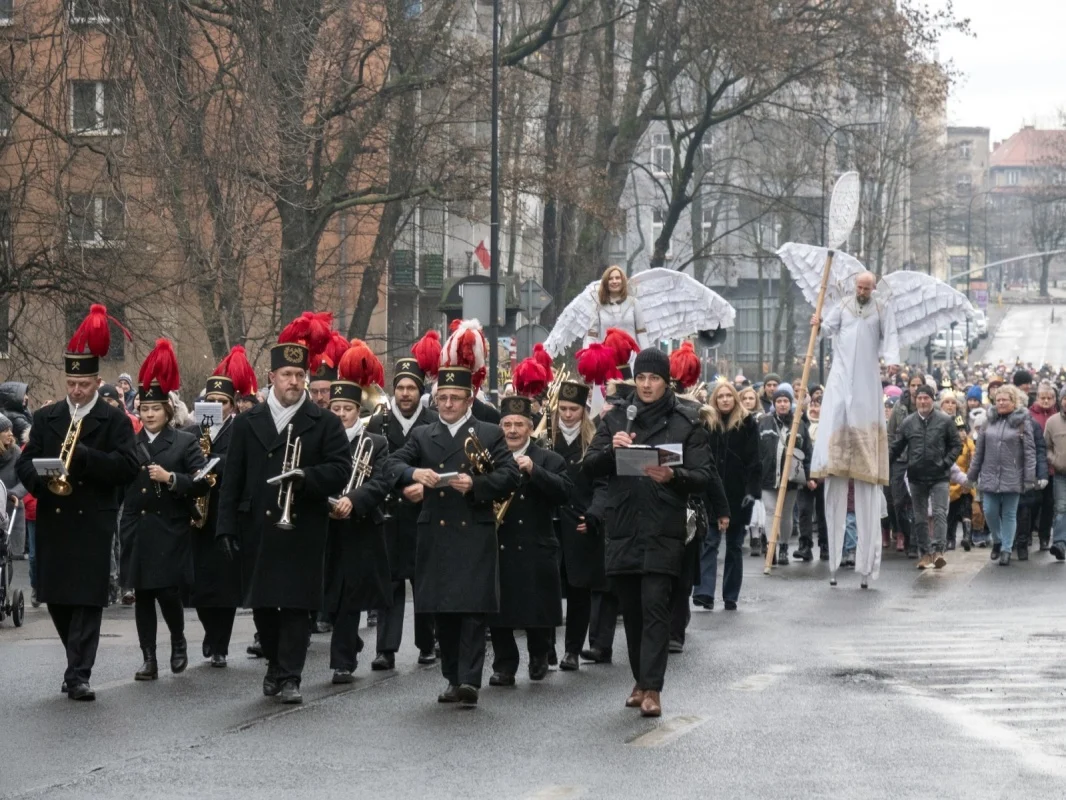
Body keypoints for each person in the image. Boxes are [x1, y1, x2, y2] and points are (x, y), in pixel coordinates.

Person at [215, 313, 352, 705]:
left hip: (302, 525)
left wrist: (306, 477)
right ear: (271, 377)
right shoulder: (247, 422)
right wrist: (224, 528)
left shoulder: (323, 422)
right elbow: (232, 480)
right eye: (287, 374)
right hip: (256, 524)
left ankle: (290, 674)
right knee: (263, 605)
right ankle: (275, 663)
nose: (294, 381)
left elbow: (341, 470)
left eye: (299, 374)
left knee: (295, 604)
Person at [387, 320, 521, 708]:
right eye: (442, 397)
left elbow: (510, 475)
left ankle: (469, 680)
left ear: (468, 399)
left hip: (474, 530)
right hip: (435, 533)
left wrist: (476, 486)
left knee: (472, 610)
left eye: (455, 398)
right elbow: (390, 465)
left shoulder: (489, 431)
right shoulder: (423, 435)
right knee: (442, 611)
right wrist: (414, 474)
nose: (447, 404)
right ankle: (450, 676)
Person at [16, 304, 139, 700]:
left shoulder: (113, 419)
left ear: (95, 381)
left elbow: (128, 466)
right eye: (71, 383)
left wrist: (87, 458)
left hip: (93, 519)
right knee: (58, 597)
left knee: (87, 597)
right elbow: (24, 461)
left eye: (83, 384)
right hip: (55, 515)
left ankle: (78, 673)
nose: (76, 390)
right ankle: (75, 662)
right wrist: (40, 482)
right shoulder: (49, 417)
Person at [583, 347, 712, 718]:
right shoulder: (616, 419)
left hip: (663, 527)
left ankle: (653, 688)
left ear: (666, 381)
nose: (646, 385)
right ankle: (640, 681)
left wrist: (675, 476)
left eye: (654, 378)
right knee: (633, 611)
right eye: (641, 378)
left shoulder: (686, 422)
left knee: (655, 607)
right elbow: (589, 466)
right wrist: (611, 450)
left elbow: (703, 476)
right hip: (623, 525)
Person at [120, 340, 209, 681]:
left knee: (167, 591)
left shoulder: (185, 441)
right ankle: (148, 659)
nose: (149, 414)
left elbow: (202, 481)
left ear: (168, 411)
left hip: (170, 527)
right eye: (144, 409)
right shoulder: (130, 442)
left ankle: (177, 639)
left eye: (155, 409)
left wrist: (172, 478)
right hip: (138, 527)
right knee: (143, 594)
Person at [811, 270, 899, 587]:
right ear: (854, 286)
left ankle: (866, 565)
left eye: (867, 287)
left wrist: (892, 359)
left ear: (873, 288)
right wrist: (817, 325)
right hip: (841, 374)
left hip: (864, 380)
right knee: (837, 406)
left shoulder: (880, 309)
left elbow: (890, 337)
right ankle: (834, 562)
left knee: (866, 491)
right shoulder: (844, 305)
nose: (862, 290)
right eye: (859, 286)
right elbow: (826, 328)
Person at [487, 387, 572, 686]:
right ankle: (504, 664)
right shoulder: (491, 455)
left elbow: (564, 492)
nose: (512, 430)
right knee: (499, 610)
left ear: (529, 428)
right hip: (500, 542)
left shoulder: (548, 458)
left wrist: (535, 471)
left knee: (536, 606)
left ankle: (539, 654)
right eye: (507, 424)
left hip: (536, 543)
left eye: (518, 424)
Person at [323, 342, 394, 684]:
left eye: (346, 409)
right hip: (327, 527)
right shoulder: (320, 443)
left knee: (350, 594)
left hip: (361, 528)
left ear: (357, 411)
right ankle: (349, 643)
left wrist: (353, 498)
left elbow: (382, 482)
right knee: (330, 597)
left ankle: (342, 662)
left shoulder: (375, 443)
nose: (339, 414)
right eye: (334, 408)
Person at [367, 352, 439, 670]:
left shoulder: (434, 422)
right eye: (401, 388)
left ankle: (427, 642)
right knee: (390, 583)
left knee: (424, 581)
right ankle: (386, 648)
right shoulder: (378, 421)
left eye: (412, 387)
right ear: (393, 390)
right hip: (389, 512)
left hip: (424, 513)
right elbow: (369, 468)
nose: (406, 394)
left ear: (421, 390)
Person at [190, 346, 255, 667]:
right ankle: (208, 631)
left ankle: (221, 644)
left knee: (225, 585)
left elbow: (246, 465)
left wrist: (214, 463)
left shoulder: (241, 429)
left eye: (222, 403)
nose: (216, 407)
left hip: (226, 512)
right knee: (200, 584)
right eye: (211, 402)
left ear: (232, 406)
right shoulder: (194, 431)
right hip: (198, 514)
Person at [549, 378, 605, 671]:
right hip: (549, 523)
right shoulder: (545, 438)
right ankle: (546, 648)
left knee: (579, 589)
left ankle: (572, 649)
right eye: (563, 408)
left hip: (580, 522)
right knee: (546, 588)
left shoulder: (594, 441)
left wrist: (594, 515)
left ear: (583, 411)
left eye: (573, 409)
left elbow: (603, 485)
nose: (568, 414)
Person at [693, 381, 760, 609]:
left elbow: (754, 460)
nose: (724, 400)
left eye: (728, 396)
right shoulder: (707, 423)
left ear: (735, 398)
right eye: (720, 396)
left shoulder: (747, 423)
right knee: (709, 541)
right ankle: (704, 592)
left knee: (734, 545)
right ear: (714, 399)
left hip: (738, 492)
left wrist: (752, 491)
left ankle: (730, 595)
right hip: (710, 493)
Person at [890, 384, 962, 570]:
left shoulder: (945, 421)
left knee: (939, 513)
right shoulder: (908, 422)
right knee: (920, 517)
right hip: (916, 476)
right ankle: (925, 553)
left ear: (932, 400)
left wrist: (945, 462)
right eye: (920, 398)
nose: (922, 401)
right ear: (916, 400)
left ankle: (939, 551)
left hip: (939, 476)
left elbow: (956, 445)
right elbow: (896, 447)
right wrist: (883, 466)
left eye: (926, 398)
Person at [967, 385, 1036, 567]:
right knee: (989, 510)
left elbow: (1030, 452)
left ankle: (1006, 549)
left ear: (1014, 402)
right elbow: (979, 451)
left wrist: (1030, 477)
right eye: (998, 400)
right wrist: (972, 475)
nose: (1001, 403)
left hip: (1013, 475)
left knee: (1009, 513)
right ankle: (997, 540)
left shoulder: (1022, 422)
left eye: (1005, 400)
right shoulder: (988, 422)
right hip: (989, 475)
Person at [758, 384, 813, 566]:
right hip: (767, 476)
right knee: (771, 511)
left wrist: (809, 476)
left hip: (790, 478)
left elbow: (807, 451)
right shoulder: (764, 422)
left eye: (786, 401)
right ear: (774, 404)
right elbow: (755, 450)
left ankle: (783, 546)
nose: (782, 404)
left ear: (791, 403)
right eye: (779, 401)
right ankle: (770, 546)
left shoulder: (800, 424)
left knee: (786, 513)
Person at [888, 372, 925, 556]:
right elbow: (890, 433)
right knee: (898, 501)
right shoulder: (899, 407)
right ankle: (904, 532)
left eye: (919, 385)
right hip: (900, 459)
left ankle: (915, 542)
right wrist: (890, 456)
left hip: (919, 460)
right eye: (913, 385)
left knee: (917, 501)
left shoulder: (927, 407)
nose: (916, 389)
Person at [584, 265, 649, 351]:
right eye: (610, 279)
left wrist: (647, 356)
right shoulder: (597, 305)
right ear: (606, 282)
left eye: (617, 278)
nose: (614, 281)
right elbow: (592, 335)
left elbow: (641, 332)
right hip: (607, 357)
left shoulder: (634, 303)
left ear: (623, 281)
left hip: (631, 357)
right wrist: (587, 354)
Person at [796, 395, 828, 562]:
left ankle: (825, 545)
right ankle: (805, 546)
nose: (814, 409)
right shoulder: (801, 425)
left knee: (823, 513)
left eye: (818, 406)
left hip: (825, 475)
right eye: (812, 406)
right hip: (804, 475)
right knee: (804, 511)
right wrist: (807, 477)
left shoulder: (829, 425)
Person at [1027, 381, 1057, 552]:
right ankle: (1028, 532)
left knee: (1049, 504)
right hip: (1035, 467)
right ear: (1037, 398)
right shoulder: (1029, 415)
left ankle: (1045, 537)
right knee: (1032, 502)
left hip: (1053, 467)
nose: (1046, 401)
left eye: (1049, 398)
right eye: (1043, 398)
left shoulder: (1058, 415)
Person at [0, 413, 28, 565]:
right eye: (6, 430)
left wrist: (14, 493)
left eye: (11, 429)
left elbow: (25, 479)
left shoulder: (16, 452)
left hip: (11, 506)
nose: (11, 433)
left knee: (6, 558)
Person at [1045, 387, 1066, 561]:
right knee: (1060, 508)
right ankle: (1059, 543)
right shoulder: (1052, 422)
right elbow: (1047, 447)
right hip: (1061, 474)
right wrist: (1054, 460)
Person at [947, 415, 975, 551]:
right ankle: (950, 538)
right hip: (950, 485)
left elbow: (973, 465)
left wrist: (969, 482)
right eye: (958, 430)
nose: (962, 433)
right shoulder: (948, 445)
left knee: (966, 509)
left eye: (964, 429)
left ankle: (967, 537)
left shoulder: (970, 446)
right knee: (951, 513)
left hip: (964, 482)